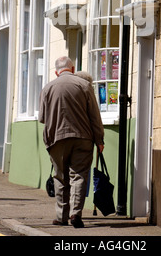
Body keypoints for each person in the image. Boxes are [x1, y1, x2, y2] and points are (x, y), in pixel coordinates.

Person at [38, 56, 104, 228]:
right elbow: (94, 116)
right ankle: (76, 213)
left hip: (57, 138)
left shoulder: (47, 88)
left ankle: (61, 216)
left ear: (55, 72)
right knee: (79, 175)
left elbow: (42, 118)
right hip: (83, 138)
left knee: (61, 177)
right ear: (73, 69)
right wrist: (100, 140)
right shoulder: (85, 86)